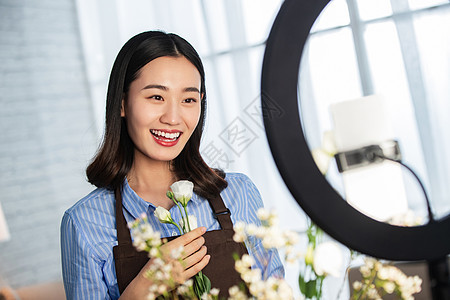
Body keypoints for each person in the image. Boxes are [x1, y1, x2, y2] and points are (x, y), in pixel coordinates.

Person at [61, 31, 284, 300]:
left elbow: (277, 292)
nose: (173, 117)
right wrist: (145, 284)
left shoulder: (238, 192)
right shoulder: (84, 222)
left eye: (188, 100)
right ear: (122, 103)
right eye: (156, 97)